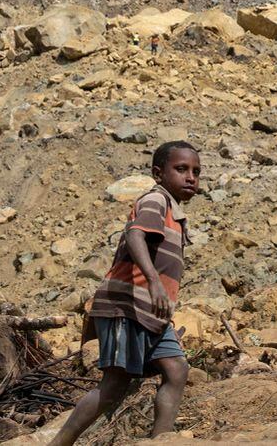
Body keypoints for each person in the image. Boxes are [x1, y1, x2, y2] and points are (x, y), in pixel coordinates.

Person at [50, 142, 200, 446]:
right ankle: (60, 443)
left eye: (196, 171)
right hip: (126, 307)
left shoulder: (174, 211)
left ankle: (160, 440)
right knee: (115, 384)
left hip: (152, 314)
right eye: (181, 169)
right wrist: (153, 280)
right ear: (158, 173)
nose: (191, 177)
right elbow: (135, 235)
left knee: (177, 369)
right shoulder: (155, 200)